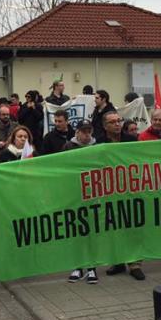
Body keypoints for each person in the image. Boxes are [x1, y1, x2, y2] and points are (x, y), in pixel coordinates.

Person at [97, 111, 146, 280]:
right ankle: (118, 261)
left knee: (132, 227)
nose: (117, 124)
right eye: (113, 122)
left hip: (130, 189)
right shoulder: (99, 143)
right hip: (110, 192)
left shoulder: (131, 140)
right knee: (114, 227)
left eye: (119, 121)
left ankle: (134, 264)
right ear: (105, 126)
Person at [62, 119, 99, 284]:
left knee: (91, 232)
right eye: (83, 131)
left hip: (93, 194)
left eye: (88, 131)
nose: (86, 134)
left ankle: (92, 267)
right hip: (74, 194)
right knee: (76, 231)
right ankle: (77, 266)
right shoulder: (68, 147)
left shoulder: (97, 146)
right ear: (77, 132)